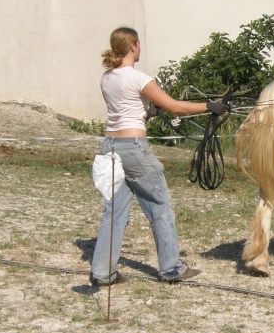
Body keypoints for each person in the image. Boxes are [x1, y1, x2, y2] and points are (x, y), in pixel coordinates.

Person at [89, 26, 227, 286]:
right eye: (138, 44)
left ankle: (102, 272)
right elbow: (175, 107)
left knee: (114, 213)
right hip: (134, 149)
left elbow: (123, 109)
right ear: (133, 46)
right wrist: (209, 106)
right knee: (160, 206)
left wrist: (147, 113)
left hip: (110, 147)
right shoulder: (139, 78)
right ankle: (172, 268)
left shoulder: (106, 77)